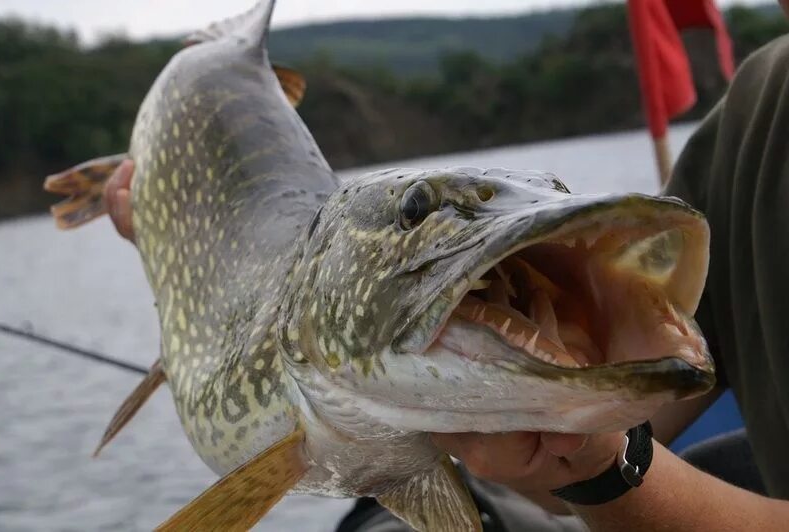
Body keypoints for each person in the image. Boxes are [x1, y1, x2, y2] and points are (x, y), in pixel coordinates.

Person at [101, 3, 789, 528]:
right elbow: (580, 452)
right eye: (415, 212)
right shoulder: (757, 116)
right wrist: (176, 242)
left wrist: (610, 467)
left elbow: (612, 459)